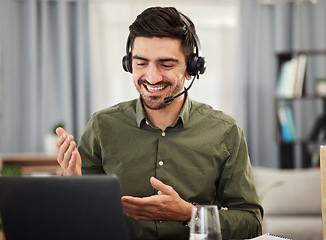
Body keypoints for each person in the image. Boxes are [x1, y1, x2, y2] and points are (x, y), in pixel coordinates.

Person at [55, 6, 263, 240]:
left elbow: (251, 222)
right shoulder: (102, 126)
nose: (152, 77)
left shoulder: (225, 132)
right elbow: (81, 220)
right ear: (128, 63)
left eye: (166, 64)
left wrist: (188, 214)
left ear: (192, 69)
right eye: (141, 63)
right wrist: (71, 184)